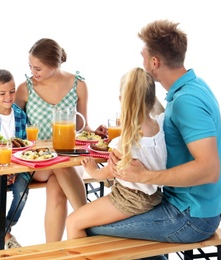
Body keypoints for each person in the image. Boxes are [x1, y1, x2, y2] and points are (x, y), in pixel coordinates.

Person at [85, 20, 221, 260]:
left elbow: (209, 170)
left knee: (89, 228)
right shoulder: (191, 88)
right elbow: (154, 128)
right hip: (184, 205)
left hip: (190, 215)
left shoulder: (186, 102)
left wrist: (143, 176)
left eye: (143, 57)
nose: (142, 63)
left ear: (154, 62)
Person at [0, 38, 107, 243]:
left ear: (54, 65)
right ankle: (90, 224)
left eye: (38, 68)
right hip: (37, 161)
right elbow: (8, 119)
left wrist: (97, 132)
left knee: (57, 186)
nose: (32, 72)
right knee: (59, 164)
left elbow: (83, 127)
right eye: (30, 66)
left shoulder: (78, 85)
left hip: (68, 158)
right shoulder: (25, 89)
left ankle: (51, 250)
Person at [66, 67, 166, 239]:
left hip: (129, 200)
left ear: (122, 100)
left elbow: (109, 171)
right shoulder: (162, 125)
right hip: (155, 195)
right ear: (151, 98)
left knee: (73, 222)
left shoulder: (124, 142)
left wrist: (93, 171)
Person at [0, 69, 30, 249]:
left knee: (23, 193)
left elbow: (24, 145)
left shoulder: (20, 115)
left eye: (12, 91)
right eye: (2, 93)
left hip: (18, 168)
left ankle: (3, 229)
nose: (8, 97)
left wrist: (15, 170)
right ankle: (6, 235)